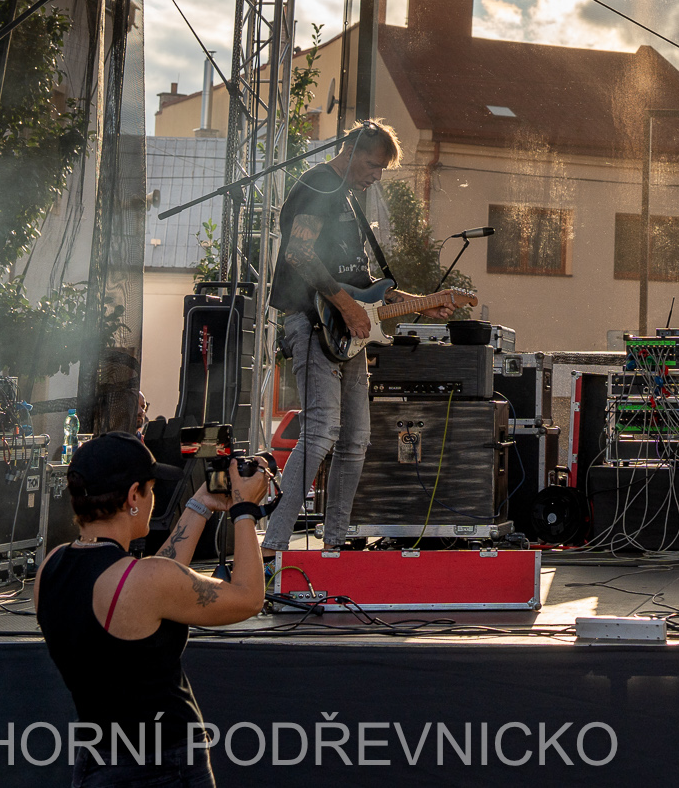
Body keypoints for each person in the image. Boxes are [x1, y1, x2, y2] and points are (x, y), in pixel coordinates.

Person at [260, 121, 468, 553]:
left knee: (356, 439)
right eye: (373, 165)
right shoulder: (318, 185)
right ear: (351, 150)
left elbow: (365, 285)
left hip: (346, 331)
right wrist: (348, 307)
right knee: (321, 431)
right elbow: (298, 253)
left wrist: (420, 303)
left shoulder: (350, 200)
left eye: (382, 169)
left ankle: (335, 542)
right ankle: (274, 545)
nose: (377, 175)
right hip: (314, 322)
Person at [35, 432, 273, 785]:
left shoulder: (51, 567)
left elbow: (154, 581)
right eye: (150, 489)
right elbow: (249, 597)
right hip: (164, 767)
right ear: (134, 495)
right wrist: (244, 511)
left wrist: (200, 504)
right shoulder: (143, 581)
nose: (152, 499)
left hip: (96, 763)